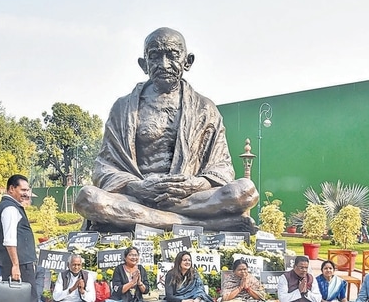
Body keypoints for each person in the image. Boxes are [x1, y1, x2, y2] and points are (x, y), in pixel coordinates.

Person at [75, 27, 259, 233]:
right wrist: (137, 187)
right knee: (88, 198)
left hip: (188, 198)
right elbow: (104, 168)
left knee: (245, 191)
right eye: (154, 56)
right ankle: (198, 225)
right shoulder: (123, 108)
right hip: (136, 196)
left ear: (187, 61)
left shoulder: (205, 108)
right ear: (144, 64)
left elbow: (222, 169)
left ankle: (153, 221)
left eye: (172, 55)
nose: (163, 64)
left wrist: (194, 184)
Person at [0, 174, 38, 302]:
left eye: (27, 190)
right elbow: (9, 240)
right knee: (26, 299)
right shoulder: (10, 208)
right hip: (19, 264)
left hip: (17, 263)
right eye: (23, 190)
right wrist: (16, 266)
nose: (26, 193)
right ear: (11, 188)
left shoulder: (8, 206)